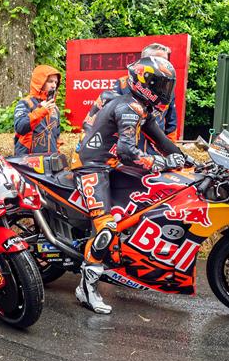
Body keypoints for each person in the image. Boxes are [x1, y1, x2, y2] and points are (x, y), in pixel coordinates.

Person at [74, 56, 188, 314]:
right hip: (93, 166)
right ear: (146, 83)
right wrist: (161, 163)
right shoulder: (128, 107)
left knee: (140, 208)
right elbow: (128, 152)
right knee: (107, 227)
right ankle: (86, 289)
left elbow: (162, 140)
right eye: (161, 85)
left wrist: (190, 161)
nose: (165, 92)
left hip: (112, 165)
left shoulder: (140, 107)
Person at [82, 43, 179, 149]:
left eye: (166, 60)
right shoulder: (123, 83)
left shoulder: (167, 91)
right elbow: (107, 115)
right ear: (145, 60)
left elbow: (171, 123)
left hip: (155, 150)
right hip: (128, 148)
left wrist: (172, 151)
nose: (164, 64)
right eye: (160, 60)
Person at [14, 65, 61, 155]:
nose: (54, 85)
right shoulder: (26, 103)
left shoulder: (55, 108)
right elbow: (20, 127)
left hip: (49, 162)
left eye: (56, 82)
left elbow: (57, 138)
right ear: (40, 82)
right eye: (50, 81)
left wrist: (58, 157)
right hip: (28, 162)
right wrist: (42, 110)